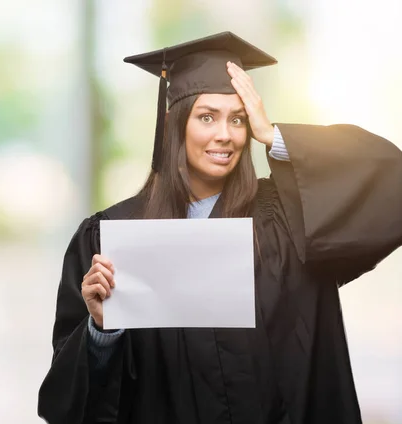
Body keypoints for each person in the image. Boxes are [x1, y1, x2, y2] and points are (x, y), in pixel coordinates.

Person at [37, 31, 402, 424]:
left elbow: (391, 184)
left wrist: (273, 134)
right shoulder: (112, 237)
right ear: (174, 122)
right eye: (206, 117)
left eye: (238, 119)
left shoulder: (286, 217)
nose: (224, 134)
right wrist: (100, 332)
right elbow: (65, 405)